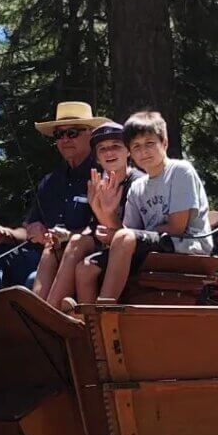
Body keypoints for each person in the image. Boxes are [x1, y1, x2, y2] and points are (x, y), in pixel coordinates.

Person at [0, 101, 107, 293]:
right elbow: (28, 230)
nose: (65, 139)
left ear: (90, 133)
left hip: (71, 262)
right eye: (59, 134)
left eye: (72, 133)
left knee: (32, 280)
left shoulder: (102, 177)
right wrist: (8, 234)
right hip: (36, 257)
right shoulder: (50, 182)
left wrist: (65, 237)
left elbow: (103, 232)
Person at [76, 111, 212, 304]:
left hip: (187, 244)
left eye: (150, 143)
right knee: (86, 268)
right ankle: (86, 325)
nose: (144, 151)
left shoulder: (180, 171)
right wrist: (105, 211)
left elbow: (177, 227)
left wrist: (129, 235)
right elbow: (123, 234)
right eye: (136, 146)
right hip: (151, 246)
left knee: (124, 239)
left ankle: (104, 305)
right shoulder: (138, 187)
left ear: (164, 143)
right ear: (130, 152)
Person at [34, 122, 141, 308]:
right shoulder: (99, 183)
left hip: (128, 245)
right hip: (104, 242)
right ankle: (38, 311)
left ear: (128, 151)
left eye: (116, 146)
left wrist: (103, 218)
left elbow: (136, 230)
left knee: (79, 245)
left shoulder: (139, 183)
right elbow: (94, 225)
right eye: (102, 149)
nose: (109, 153)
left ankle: (50, 315)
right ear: (97, 158)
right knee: (54, 246)